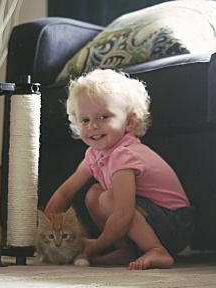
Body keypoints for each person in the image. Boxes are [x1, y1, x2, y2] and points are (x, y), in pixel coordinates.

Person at [44, 69, 194, 270]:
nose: (93, 126)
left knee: (107, 198)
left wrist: (96, 245)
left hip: (175, 224)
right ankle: (126, 252)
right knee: (93, 193)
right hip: (153, 219)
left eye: (104, 116)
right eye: (85, 120)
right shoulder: (93, 155)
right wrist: (45, 227)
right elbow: (64, 193)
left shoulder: (124, 154)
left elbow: (123, 214)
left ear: (130, 122)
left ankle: (157, 249)